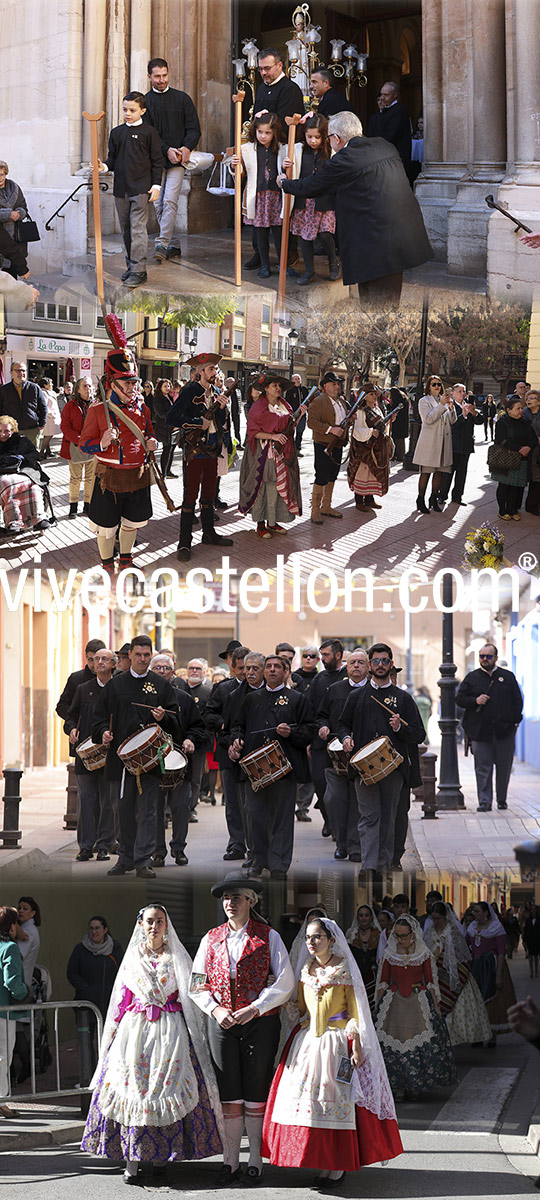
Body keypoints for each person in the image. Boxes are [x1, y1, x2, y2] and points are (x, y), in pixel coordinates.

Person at [81, 904, 224, 1184]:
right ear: (141, 924)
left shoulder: (179, 957)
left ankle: (162, 1157)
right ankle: (132, 1161)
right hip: (134, 1032)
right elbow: (121, 998)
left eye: (159, 921)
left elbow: (196, 988)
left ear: (166, 925)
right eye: (149, 921)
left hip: (170, 1031)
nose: (154, 926)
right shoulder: (132, 957)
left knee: (164, 1086)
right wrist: (111, 1037)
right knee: (133, 1088)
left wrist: (214, 993)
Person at [262, 916, 402, 1185]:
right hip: (305, 1044)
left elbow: (356, 1012)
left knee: (336, 1101)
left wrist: (357, 1045)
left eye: (317, 937)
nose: (311, 942)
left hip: (336, 1042)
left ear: (331, 940)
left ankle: (338, 1164)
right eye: (308, 938)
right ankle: (322, 1159)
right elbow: (301, 1009)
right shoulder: (305, 969)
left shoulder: (345, 969)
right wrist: (281, 999)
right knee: (308, 1103)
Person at [191, 877, 294, 1185]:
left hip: (259, 1024)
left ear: (252, 901)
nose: (230, 902)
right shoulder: (211, 938)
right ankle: (230, 1159)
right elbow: (197, 983)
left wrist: (256, 1008)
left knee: (256, 1089)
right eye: (225, 898)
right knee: (228, 1092)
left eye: (237, 897)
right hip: (222, 1024)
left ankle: (255, 1160)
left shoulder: (269, 937)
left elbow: (284, 981)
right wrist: (216, 1009)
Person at [278, 110, 433, 307]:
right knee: (386, 297)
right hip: (402, 233)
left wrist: (285, 183)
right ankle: (383, 333)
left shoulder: (344, 160)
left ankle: (380, 335)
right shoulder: (384, 145)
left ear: (337, 138)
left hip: (375, 240)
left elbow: (312, 186)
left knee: (376, 303)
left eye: (328, 138)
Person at [91, 635, 183, 879]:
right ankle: (126, 858)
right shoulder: (116, 684)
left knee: (149, 811)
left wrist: (164, 718)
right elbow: (98, 717)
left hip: (151, 761)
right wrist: (104, 733)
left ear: (151, 655)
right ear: (129, 655)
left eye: (146, 655)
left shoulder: (161, 686)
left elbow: (176, 722)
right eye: (138, 654)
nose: (142, 659)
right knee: (123, 809)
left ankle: (143, 861)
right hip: (122, 760)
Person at [338, 644, 425, 872]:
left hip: (393, 770)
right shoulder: (356, 696)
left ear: (391, 664)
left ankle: (384, 866)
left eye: (384, 661)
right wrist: (346, 738)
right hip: (363, 768)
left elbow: (419, 733)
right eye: (375, 661)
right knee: (368, 817)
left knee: (388, 819)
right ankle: (368, 868)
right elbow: (342, 724)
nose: (379, 665)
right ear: (369, 665)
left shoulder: (403, 699)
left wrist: (399, 728)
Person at [228, 654, 315, 879]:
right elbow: (237, 726)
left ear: (287, 672)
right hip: (255, 770)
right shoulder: (251, 699)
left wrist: (292, 733)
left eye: (278, 667)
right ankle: (258, 859)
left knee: (282, 819)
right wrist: (236, 741)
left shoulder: (297, 699)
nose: (273, 670)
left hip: (285, 770)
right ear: (264, 672)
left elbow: (309, 730)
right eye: (269, 667)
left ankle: (278, 865)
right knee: (255, 815)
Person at [80, 345, 158, 574]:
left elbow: (150, 432)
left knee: (132, 524)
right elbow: (84, 444)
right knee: (106, 528)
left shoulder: (143, 408)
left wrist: (153, 442)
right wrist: (102, 443)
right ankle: (107, 567)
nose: (132, 387)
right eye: (126, 382)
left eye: (134, 382)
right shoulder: (96, 410)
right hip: (110, 478)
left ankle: (125, 560)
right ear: (112, 384)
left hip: (137, 476)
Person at [375, 915, 457, 1100]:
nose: (401, 940)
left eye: (404, 936)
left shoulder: (423, 953)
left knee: (417, 1045)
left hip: (418, 1002)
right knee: (393, 1046)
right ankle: (398, 1087)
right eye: (398, 936)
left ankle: (415, 1086)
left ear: (413, 934)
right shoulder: (389, 953)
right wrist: (378, 1007)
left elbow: (430, 981)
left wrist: (436, 1006)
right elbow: (382, 982)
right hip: (394, 1005)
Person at [166, 352, 233, 562]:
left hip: (212, 450)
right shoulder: (189, 391)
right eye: (211, 369)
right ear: (200, 372)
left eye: (216, 369)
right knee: (190, 496)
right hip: (194, 451)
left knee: (209, 494)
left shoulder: (216, 391)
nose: (215, 372)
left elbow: (218, 421)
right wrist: (197, 422)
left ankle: (209, 534)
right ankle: (184, 542)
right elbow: (172, 418)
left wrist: (222, 408)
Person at [98, 91, 164, 288]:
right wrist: (103, 167)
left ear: (142, 110)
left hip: (141, 188)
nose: (128, 113)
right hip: (121, 189)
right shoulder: (117, 133)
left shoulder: (149, 133)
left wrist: (156, 185)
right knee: (126, 230)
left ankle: (139, 270)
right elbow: (112, 159)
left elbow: (157, 161)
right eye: (125, 109)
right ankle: (131, 266)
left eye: (132, 110)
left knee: (137, 229)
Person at [147, 651, 206, 867]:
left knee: (181, 807)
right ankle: (158, 851)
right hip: (151, 764)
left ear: (173, 672)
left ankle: (179, 848)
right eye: (157, 668)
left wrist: (191, 739)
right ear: (150, 671)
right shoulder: (142, 698)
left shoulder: (185, 699)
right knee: (154, 809)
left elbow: (198, 728)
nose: (162, 671)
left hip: (180, 764)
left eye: (166, 668)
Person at [144, 57, 201, 262]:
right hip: (154, 161)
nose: (162, 80)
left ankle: (162, 244)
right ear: (149, 76)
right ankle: (173, 244)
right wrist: (166, 149)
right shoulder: (144, 103)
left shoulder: (182, 99)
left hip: (177, 161)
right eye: (157, 76)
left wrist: (186, 147)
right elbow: (147, 133)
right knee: (158, 204)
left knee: (170, 200)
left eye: (164, 75)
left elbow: (194, 128)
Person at [64, 648, 118, 863]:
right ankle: (85, 847)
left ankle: (104, 845)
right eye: (97, 659)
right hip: (86, 754)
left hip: (110, 754)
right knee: (86, 800)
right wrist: (71, 729)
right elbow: (71, 716)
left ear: (113, 664)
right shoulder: (83, 688)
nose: (100, 662)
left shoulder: (119, 689)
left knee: (108, 801)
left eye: (105, 659)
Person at [316, 647, 370, 861]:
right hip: (336, 758)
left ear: (368, 667)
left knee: (358, 803)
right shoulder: (335, 689)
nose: (356, 666)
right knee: (333, 799)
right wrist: (322, 727)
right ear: (346, 667)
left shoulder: (372, 691)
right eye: (352, 663)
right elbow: (321, 715)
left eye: (360, 662)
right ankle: (341, 842)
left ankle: (355, 847)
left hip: (363, 758)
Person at [456, 643, 523, 811]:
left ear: (496, 658)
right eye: (481, 656)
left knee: (504, 767)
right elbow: (460, 699)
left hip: (504, 732)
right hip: (480, 732)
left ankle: (502, 800)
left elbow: (517, 701)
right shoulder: (472, 678)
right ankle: (484, 801)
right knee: (482, 768)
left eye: (488, 656)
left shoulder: (507, 677)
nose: (484, 659)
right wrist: (475, 701)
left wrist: (514, 721)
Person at [239, 371, 304, 538]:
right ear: (266, 388)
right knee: (262, 486)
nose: (278, 388)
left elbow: (290, 427)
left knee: (277, 487)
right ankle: (261, 524)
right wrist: (272, 436)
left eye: (279, 386)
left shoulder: (286, 405)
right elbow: (253, 432)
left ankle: (273, 522)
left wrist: (299, 416)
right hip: (262, 453)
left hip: (282, 452)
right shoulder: (258, 407)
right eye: (274, 385)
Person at [231, 114, 291, 280]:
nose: (263, 136)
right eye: (260, 132)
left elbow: (290, 172)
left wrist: (287, 168)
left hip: (276, 195)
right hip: (257, 195)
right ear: (255, 131)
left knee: (279, 231)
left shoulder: (283, 148)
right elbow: (241, 174)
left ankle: (283, 264)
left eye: (267, 133)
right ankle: (264, 264)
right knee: (261, 232)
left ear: (275, 133)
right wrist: (235, 164)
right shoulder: (247, 149)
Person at [204, 645, 249, 863]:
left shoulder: (259, 688)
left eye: (247, 668)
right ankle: (237, 844)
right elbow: (209, 714)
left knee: (253, 802)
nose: (244, 672)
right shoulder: (222, 689)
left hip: (252, 752)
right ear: (231, 668)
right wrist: (222, 725)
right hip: (227, 752)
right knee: (232, 802)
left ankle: (256, 843)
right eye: (239, 668)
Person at [423, 903, 491, 1046]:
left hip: (452, 977)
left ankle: (450, 1044)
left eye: (438, 919)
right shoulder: (430, 931)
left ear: (445, 916)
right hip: (433, 978)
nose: (436, 922)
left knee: (454, 1015)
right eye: (433, 918)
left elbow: (462, 958)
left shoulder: (452, 932)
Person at [284, 113, 339, 285]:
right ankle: (309, 271)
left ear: (325, 136)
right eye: (309, 137)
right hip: (304, 201)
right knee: (304, 237)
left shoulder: (331, 152)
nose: (313, 141)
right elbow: (289, 169)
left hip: (325, 201)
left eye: (317, 137)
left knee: (325, 234)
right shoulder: (298, 150)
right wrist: (285, 166)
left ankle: (333, 261)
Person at [67, 915, 123, 1073]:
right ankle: (89, 1075)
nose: (94, 931)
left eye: (97, 928)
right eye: (91, 928)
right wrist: (85, 988)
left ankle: (110, 1074)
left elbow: (123, 972)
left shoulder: (115, 949)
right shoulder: (80, 949)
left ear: (105, 930)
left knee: (110, 1041)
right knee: (86, 1041)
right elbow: (71, 972)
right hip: (86, 1004)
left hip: (109, 1004)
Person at [308, 640, 348, 837]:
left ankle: (341, 826)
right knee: (319, 782)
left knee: (340, 787)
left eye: (326, 655)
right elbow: (312, 709)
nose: (321, 659)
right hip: (320, 742)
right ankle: (328, 820)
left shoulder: (349, 676)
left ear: (338, 655)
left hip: (343, 742)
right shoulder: (319, 679)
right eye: (321, 655)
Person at [465, 902, 517, 1044]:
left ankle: (492, 1034)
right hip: (476, 968)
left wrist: (499, 974)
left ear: (485, 913)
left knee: (492, 1002)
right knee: (476, 1001)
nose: (474, 913)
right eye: (473, 911)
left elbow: (501, 953)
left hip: (491, 967)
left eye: (477, 911)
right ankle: (478, 1035)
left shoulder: (496, 928)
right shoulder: (471, 928)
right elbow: (465, 947)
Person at [0, 414, 51, 536]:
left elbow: (35, 455)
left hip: (24, 471)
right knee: (8, 484)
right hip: (3, 473)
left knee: (33, 486)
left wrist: (22, 458)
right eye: (0, 431)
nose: (2, 434)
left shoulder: (23, 441)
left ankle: (39, 518)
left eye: (6, 431)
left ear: (13, 430)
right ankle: (14, 521)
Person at [308, 371, 348, 525]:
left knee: (332, 476)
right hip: (323, 444)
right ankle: (315, 511)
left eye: (338, 384)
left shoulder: (342, 402)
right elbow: (311, 422)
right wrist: (330, 429)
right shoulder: (319, 401)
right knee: (321, 476)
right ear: (325, 386)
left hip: (337, 444)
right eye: (334, 384)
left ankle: (326, 507)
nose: (337, 386)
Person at [0, 907, 29, 1117]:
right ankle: (1, 1101)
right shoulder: (9, 947)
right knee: (3, 1055)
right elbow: (11, 980)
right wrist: (24, 992)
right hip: (4, 1011)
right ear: (11, 926)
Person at [412, 377, 456, 511]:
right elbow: (428, 419)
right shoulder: (423, 401)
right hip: (430, 443)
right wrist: (442, 405)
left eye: (439, 384)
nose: (437, 386)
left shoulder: (444, 400)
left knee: (440, 473)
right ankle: (420, 499)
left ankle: (433, 499)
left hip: (444, 442)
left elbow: (452, 421)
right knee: (426, 472)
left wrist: (452, 408)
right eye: (434, 384)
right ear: (429, 387)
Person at [490, 395, 537, 519]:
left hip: (522, 458)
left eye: (522, 408)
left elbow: (533, 439)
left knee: (516, 486)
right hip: (506, 459)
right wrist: (519, 449)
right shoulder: (503, 422)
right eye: (518, 408)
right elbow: (500, 440)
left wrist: (528, 447)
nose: (521, 411)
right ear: (509, 410)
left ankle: (512, 510)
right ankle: (502, 510)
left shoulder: (525, 422)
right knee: (504, 485)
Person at [348, 386, 394, 511]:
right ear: (364, 396)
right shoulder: (361, 411)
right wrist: (370, 432)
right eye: (371, 394)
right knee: (362, 473)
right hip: (363, 448)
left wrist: (389, 422)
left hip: (376, 447)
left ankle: (369, 499)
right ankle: (359, 501)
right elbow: (357, 431)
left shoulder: (377, 409)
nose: (374, 396)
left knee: (373, 475)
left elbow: (381, 427)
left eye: (375, 394)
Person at [437, 384, 484, 506]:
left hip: (466, 446)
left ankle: (457, 497)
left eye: (464, 391)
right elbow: (452, 425)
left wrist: (474, 413)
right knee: (448, 472)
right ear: (452, 393)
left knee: (462, 473)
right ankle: (442, 496)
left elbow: (480, 421)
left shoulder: (468, 405)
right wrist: (463, 416)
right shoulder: (449, 407)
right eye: (459, 391)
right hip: (453, 445)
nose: (462, 394)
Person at [12, 897, 41, 1085]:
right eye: (19, 907)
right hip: (22, 985)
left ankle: (26, 1065)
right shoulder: (28, 930)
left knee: (17, 1030)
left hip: (19, 987)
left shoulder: (29, 931)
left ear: (33, 913)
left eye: (25, 908)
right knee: (17, 1030)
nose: (21, 910)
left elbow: (18, 956)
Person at [59, 377, 97, 518]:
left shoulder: (96, 404)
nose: (88, 389)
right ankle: (73, 506)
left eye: (90, 386)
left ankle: (87, 505)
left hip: (92, 447)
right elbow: (65, 427)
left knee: (90, 478)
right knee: (75, 479)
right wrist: (79, 440)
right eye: (85, 386)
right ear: (78, 389)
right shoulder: (71, 405)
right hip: (75, 446)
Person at [366, 81, 412, 178]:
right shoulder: (381, 113)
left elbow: (391, 135)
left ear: (394, 95)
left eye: (386, 95)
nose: (382, 98)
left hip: (395, 158)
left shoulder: (399, 111)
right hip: (382, 157)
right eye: (381, 94)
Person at [56, 638, 106, 720]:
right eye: (91, 660)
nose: (94, 664)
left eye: (97, 659)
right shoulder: (76, 679)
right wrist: (77, 721)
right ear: (86, 657)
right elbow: (62, 706)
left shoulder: (114, 678)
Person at [0, 362, 46, 446]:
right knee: (12, 456)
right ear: (11, 372)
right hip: (11, 431)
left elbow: (43, 407)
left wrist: (41, 424)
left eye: (23, 370)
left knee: (32, 456)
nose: (21, 373)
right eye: (17, 370)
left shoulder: (34, 388)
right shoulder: (4, 390)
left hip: (31, 430)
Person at [346, 904, 382, 1012]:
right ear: (357, 918)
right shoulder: (351, 934)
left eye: (366, 915)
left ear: (371, 917)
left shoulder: (378, 934)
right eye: (361, 915)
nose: (364, 918)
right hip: (356, 975)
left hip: (373, 976)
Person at [0, 161, 29, 277]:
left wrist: (19, 213)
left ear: (5, 174)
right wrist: (8, 214)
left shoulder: (14, 188)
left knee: (12, 278)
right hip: (2, 237)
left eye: (1, 175)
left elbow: (23, 207)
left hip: (15, 236)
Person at [152, 377, 178, 478]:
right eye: (165, 386)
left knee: (171, 449)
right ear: (160, 387)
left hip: (171, 427)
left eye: (168, 386)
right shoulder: (158, 399)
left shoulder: (169, 397)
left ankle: (168, 470)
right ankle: (163, 473)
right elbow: (161, 413)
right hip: (163, 427)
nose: (167, 388)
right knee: (166, 449)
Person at [523, 388, 540, 514]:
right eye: (527, 398)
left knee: (537, 478)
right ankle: (528, 505)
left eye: (532, 398)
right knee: (528, 478)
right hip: (526, 449)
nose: (529, 400)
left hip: (538, 451)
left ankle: (533, 505)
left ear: (539, 402)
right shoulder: (523, 413)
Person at [285, 373, 309, 455]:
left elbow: (308, 401)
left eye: (298, 379)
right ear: (292, 381)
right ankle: (290, 449)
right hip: (293, 415)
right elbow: (287, 403)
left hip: (302, 415)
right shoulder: (290, 390)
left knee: (300, 431)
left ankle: (297, 449)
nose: (297, 380)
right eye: (295, 379)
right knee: (291, 432)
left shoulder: (304, 389)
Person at [523, 905, 540, 979]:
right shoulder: (528, 920)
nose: (533, 910)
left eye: (534, 909)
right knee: (530, 955)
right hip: (530, 939)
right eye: (532, 909)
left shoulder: (539, 919)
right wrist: (524, 939)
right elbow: (526, 930)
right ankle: (531, 971)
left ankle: (536, 970)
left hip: (537, 939)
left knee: (536, 955)